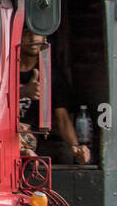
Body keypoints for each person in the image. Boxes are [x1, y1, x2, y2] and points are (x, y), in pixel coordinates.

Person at [19, 29, 91, 165]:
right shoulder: (2, 69)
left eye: (37, 31)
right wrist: (22, 92)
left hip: (29, 140)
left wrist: (76, 147)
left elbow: (62, 118)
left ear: (45, 35)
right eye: (26, 33)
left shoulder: (51, 74)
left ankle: (24, 152)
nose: (33, 38)